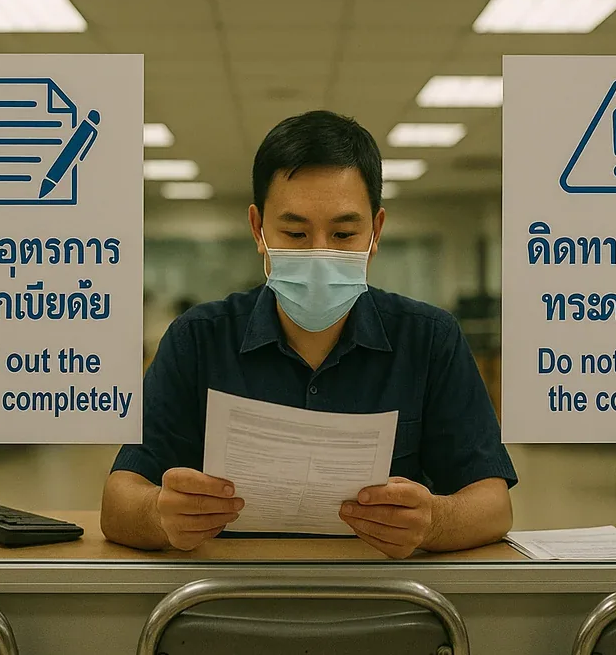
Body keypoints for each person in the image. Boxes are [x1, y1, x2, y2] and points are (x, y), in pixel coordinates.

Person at [101, 110, 517, 558]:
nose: (320, 254)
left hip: (389, 602)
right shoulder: (198, 339)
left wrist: (434, 522)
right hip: (225, 600)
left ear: (375, 232)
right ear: (258, 229)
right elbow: (118, 502)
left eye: (343, 233)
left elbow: (493, 506)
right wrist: (159, 515)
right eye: (296, 232)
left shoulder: (431, 340)